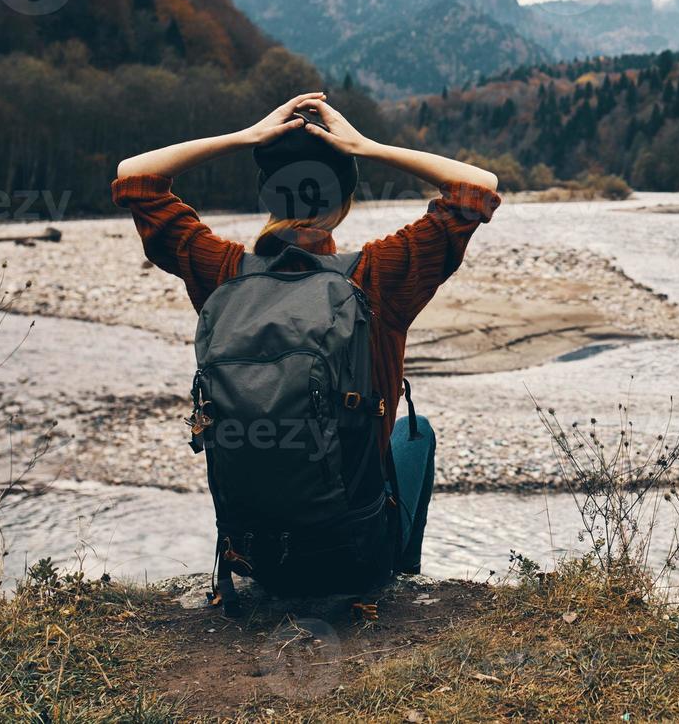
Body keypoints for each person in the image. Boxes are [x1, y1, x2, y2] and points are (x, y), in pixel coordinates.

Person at [113, 91, 499, 593]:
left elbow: (135, 177)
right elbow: (477, 186)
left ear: (267, 197)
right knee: (415, 431)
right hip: (353, 558)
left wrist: (243, 136)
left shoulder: (225, 272)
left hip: (251, 556)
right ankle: (398, 576)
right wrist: (367, 146)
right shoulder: (379, 274)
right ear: (344, 204)